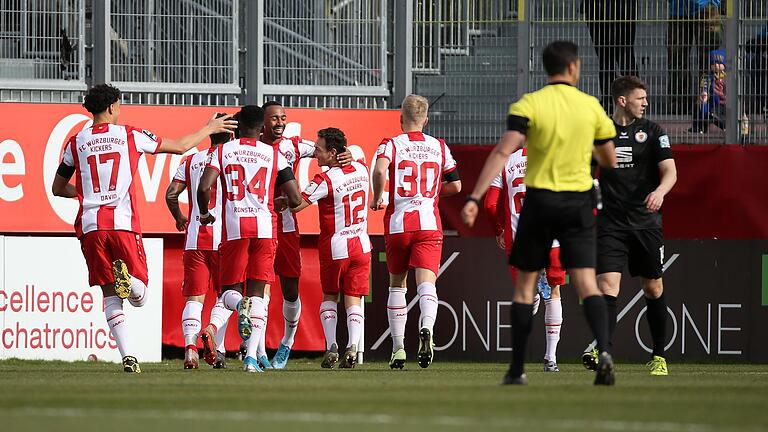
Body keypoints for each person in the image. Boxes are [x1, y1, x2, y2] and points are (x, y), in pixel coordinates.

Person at [461, 41, 618, 386]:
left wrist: (474, 197)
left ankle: (517, 368)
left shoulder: (529, 104)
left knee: (524, 286)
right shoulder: (591, 107)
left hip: (540, 203)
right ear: (574, 67)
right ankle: (604, 352)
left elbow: (504, 151)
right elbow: (609, 160)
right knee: (586, 283)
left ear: (547, 69)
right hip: (577, 203)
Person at [52, 83, 236, 373]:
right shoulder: (130, 135)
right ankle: (132, 283)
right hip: (122, 224)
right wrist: (209, 128)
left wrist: (83, 192)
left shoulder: (75, 142)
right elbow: (180, 145)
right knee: (140, 296)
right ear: (112, 106)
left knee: (110, 296)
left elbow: (57, 187)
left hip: (90, 226)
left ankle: (129, 356)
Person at [197, 105, 302, 373]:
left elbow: (203, 187)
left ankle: (226, 316)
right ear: (262, 127)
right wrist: (279, 202)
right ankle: (251, 360)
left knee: (229, 291)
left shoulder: (223, 151)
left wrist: (204, 213)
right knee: (258, 295)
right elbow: (296, 198)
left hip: (233, 230)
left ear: (239, 125)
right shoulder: (274, 154)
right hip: (265, 230)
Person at [584, 76, 677, 376]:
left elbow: (670, 172)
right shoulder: (600, 133)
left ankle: (659, 355)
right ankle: (605, 351)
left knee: (652, 287)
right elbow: (584, 173)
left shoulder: (653, 132)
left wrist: (660, 192)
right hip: (611, 223)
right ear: (622, 100)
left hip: (646, 224)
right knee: (607, 286)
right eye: (641, 98)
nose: (646, 103)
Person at [258, 101, 353, 369]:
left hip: (286, 226)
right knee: (258, 289)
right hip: (258, 224)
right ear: (263, 122)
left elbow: (328, 152)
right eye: (274, 118)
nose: (280, 122)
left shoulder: (293, 145)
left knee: (290, 290)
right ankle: (258, 348)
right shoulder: (250, 147)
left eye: (283, 117)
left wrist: (348, 156)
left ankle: (287, 342)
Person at [371, 94, 462, 370]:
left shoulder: (391, 144)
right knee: (427, 284)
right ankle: (426, 327)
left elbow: (379, 170)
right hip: (428, 223)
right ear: (426, 120)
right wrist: (432, 194)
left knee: (397, 284)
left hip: (399, 223)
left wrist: (378, 196)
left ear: (401, 120)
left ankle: (398, 348)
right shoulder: (439, 146)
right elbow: (456, 186)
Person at [291, 128, 370, 369]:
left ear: (333, 152)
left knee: (330, 297)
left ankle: (332, 345)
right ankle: (354, 346)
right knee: (354, 298)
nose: (315, 153)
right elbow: (360, 159)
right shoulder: (362, 170)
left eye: (319, 149)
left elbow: (298, 205)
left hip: (335, 247)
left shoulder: (324, 180)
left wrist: (284, 195)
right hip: (362, 245)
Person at [484, 148, 567, 372]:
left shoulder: (505, 161)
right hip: (552, 240)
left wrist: (499, 230)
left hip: (520, 240)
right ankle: (551, 358)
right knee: (555, 293)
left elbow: (489, 204)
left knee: (525, 296)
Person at [165, 113, 232, 369]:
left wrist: (180, 217)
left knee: (195, 298)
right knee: (228, 295)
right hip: (225, 238)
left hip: (194, 239)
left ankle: (191, 348)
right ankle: (216, 341)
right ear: (232, 136)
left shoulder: (190, 160)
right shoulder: (232, 157)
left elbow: (171, 195)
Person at [666, 0, 723, 115]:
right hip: (679, 9)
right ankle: (680, 102)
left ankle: (709, 101)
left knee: (709, 59)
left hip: (706, 7)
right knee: (677, 59)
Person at [581, 0, 639, 111]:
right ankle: (615, 100)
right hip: (604, 11)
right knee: (611, 59)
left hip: (614, 11)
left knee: (619, 57)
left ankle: (628, 98)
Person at [690, 49, 726, 133]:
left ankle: (723, 125)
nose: (716, 65)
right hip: (710, 101)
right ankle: (699, 127)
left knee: (717, 114)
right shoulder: (707, 76)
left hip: (721, 102)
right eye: (713, 64)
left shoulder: (727, 77)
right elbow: (704, 84)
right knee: (700, 105)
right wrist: (704, 92)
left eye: (719, 63)